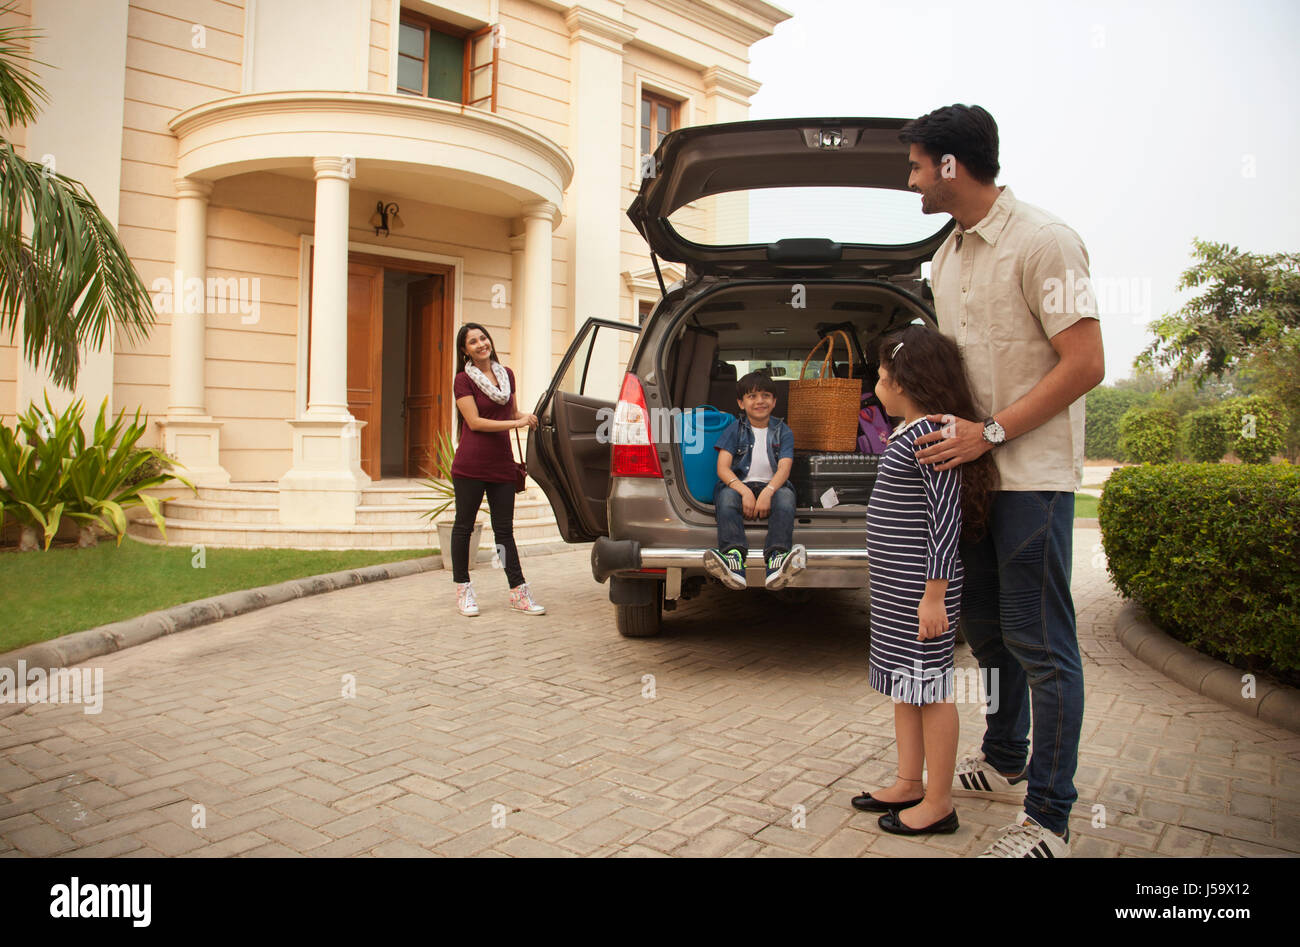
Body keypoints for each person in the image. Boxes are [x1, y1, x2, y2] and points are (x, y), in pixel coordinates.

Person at [901, 104, 1106, 857]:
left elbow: (1086, 363)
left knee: (1041, 643)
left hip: (1033, 476)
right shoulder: (946, 256)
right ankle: (1006, 754)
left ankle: (1048, 817)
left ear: (951, 165)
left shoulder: (1044, 242)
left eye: (918, 163)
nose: (912, 176)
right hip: (973, 480)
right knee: (986, 631)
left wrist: (988, 432)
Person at [851, 325, 998, 838]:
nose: (876, 388)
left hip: (921, 590)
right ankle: (908, 781)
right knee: (904, 686)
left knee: (931, 689)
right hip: (898, 589)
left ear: (908, 382)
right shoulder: (908, 431)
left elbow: (943, 519)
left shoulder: (931, 433)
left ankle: (938, 802)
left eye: (883, 378)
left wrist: (934, 595)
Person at [450, 322, 544, 617]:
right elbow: (475, 422)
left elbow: (509, 412)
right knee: (463, 527)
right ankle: (463, 589)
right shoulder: (463, 380)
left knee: (505, 531)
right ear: (464, 350)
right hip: (471, 464)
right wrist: (515, 423)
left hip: (502, 464)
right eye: (472, 341)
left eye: (483, 337)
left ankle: (518, 592)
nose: (481, 344)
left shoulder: (507, 375)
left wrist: (525, 416)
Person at [704, 372, 807, 591]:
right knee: (726, 497)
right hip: (740, 485)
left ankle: (777, 560)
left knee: (786, 498)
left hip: (773, 485)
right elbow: (722, 468)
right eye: (752, 396)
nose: (760, 401)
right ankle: (733, 559)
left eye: (765, 395)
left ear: (775, 401)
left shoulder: (784, 431)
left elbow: (784, 468)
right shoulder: (734, 429)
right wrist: (744, 492)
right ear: (741, 403)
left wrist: (769, 492)